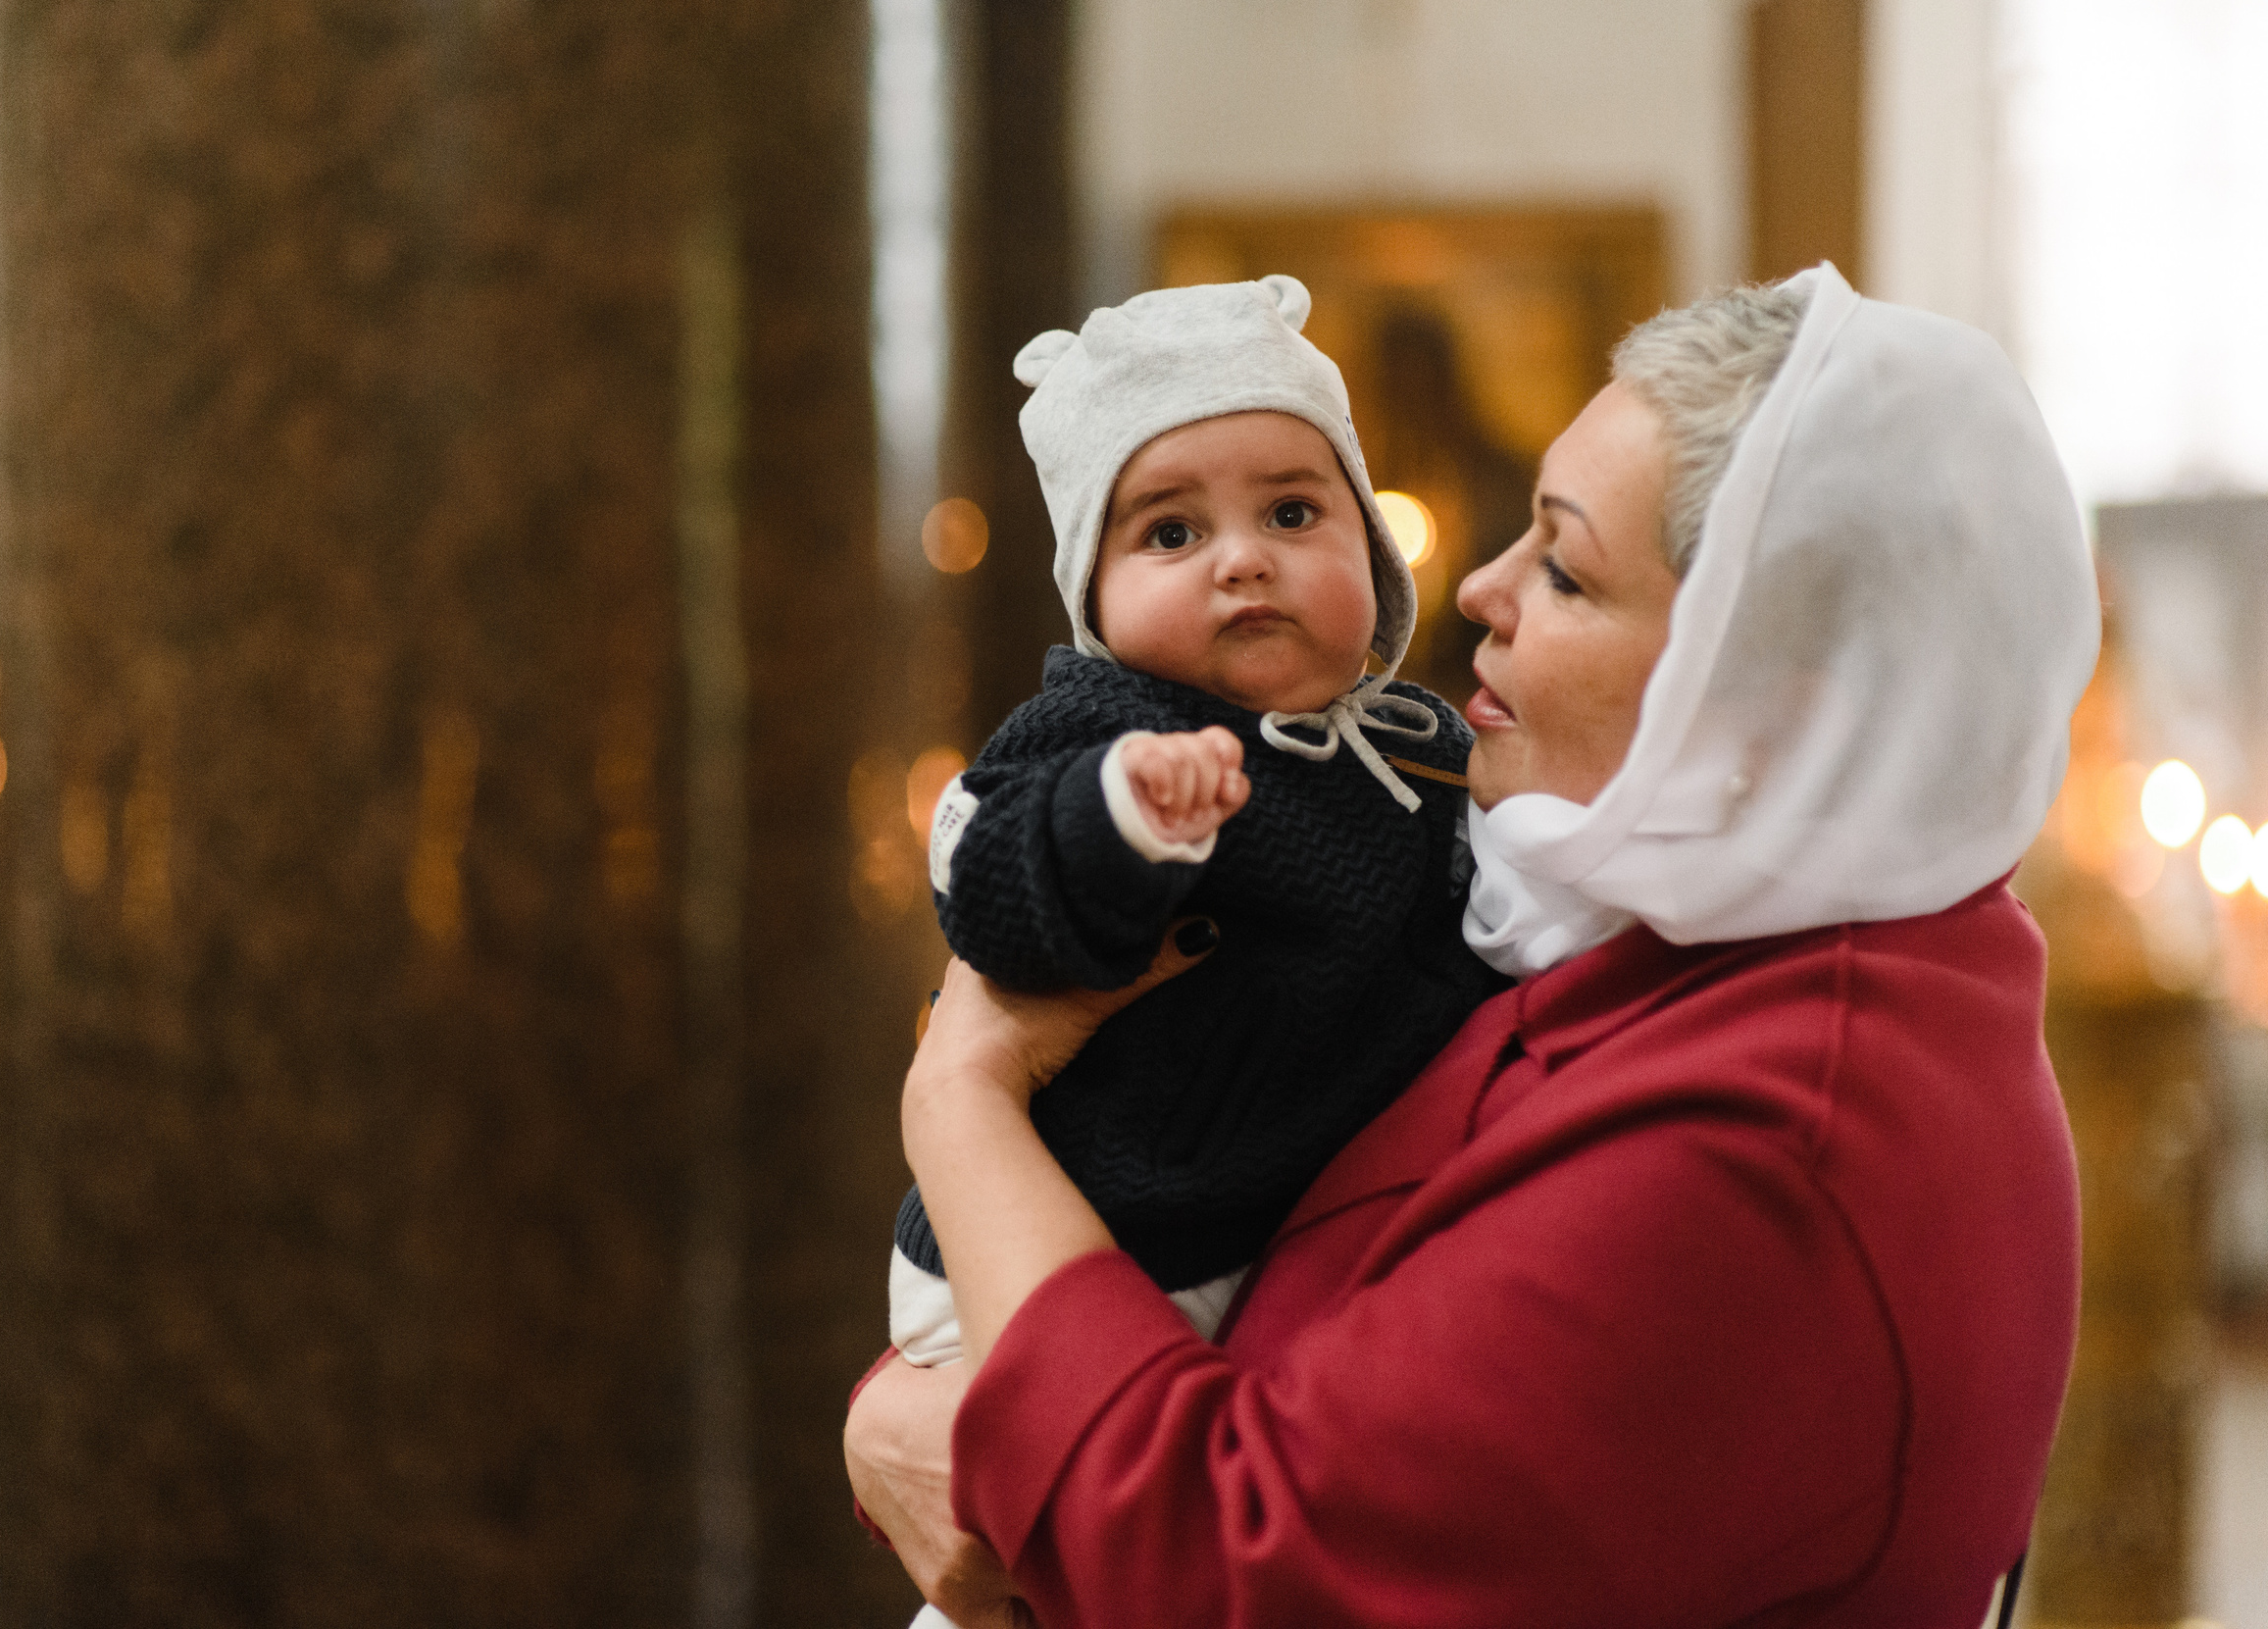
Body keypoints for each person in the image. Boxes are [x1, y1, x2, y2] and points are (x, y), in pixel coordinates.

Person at [846, 262, 2098, 1629]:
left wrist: (960, 1101)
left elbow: (1225, 1563)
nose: (1484, 587)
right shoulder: (1678, 914)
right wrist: (916, 1405)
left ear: (1759, 691)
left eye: (1564, 565)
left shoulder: (1770, 1148)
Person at [887, 275, 1502, 1384]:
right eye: (1171, 531)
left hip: (1267, 1238)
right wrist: (1114, 815)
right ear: (1094, 592)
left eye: (1292, 512)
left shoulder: (1419, 749)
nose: (1241, 558)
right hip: (1081, 1231)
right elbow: (984, 878)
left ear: (1368, 544)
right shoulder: (1100, 729)